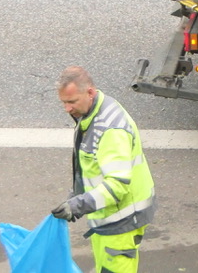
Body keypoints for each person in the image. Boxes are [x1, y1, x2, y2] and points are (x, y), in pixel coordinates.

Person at [52, 66, 156, 273]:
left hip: (121, 220)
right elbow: (93, 166)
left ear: (90, 92)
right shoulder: (93, 110)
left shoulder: (110, 130)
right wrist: (77, 195)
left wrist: (78, 205)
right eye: (63, 102)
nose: (67, 109)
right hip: (107, 216)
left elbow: (117, 186)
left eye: (71, 102)